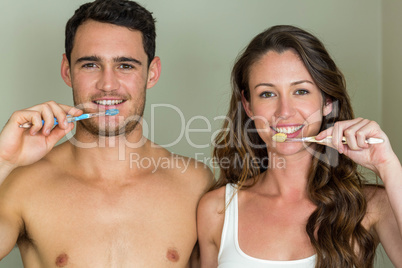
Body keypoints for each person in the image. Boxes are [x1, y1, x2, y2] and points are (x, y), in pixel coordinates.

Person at [0, 0, 212, 267]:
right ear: (67, 70)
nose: (107, 84)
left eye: (126, 65)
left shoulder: (194, 184)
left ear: (152, 73)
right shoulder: (22, 183)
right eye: (90, 64)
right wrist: (2, 160)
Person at [197, 25, 402, 268]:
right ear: (248, 105)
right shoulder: (216, 210)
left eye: (301, 91)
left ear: (327, 101)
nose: (285, 112)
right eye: (267, 94)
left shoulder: (372, 206)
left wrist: (388, 166)